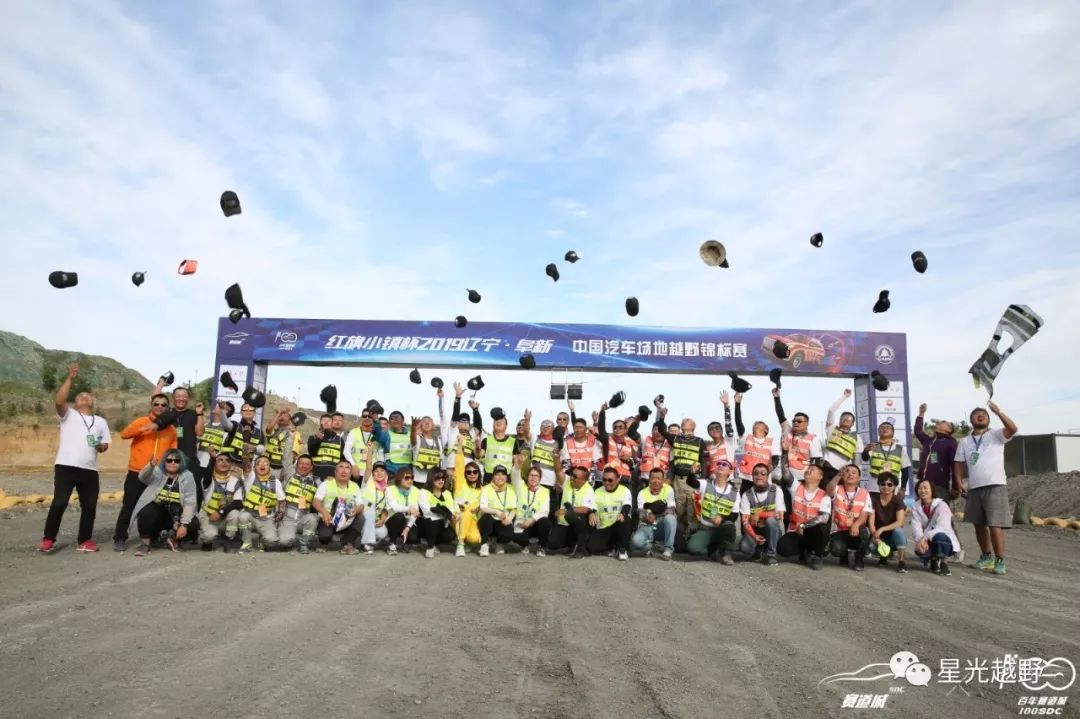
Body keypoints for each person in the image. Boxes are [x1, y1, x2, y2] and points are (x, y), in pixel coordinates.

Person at [40, 363, 111, 553]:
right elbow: (59, 401)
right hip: (66, 466)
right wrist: (70, 379)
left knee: (89, 506)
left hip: (89, 469)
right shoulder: (68, 415)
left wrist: (101, 446)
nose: (84, 397)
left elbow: (105, 446)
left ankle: (84, 540)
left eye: (87, 396)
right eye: (80, 396)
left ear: (92, 402)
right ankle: (48, 539)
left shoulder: (101, 422)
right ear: (75, 402)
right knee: (60, 502)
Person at [955, 402, 1017, 576]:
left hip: (995, 484)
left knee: (994, 524)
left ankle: (999, 560)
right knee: (979, 524)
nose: (980, 415)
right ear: (971, 420)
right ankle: (986, 557)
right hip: (974, 487)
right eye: (976, 414)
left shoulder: (996, 435)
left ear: (988, 419)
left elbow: (1012, 429)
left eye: (984, 414)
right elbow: (958, 463)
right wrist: (959, 481)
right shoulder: (965, 441)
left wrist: (998, 411)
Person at [113, 394, 178, 552]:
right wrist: (144, 429)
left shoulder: (171, 429)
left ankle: (152, 538)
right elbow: (123, 434)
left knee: (154, 507)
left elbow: (174, 452)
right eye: (157, 404)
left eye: (163, 405)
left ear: (167, 408)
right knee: (129, 506)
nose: (160, 407)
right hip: (137, 472)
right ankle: (120, 538)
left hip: (158, 475)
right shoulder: (141, 421)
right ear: (151, 405)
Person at [654, 401, 707, 544]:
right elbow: (661, 429)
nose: (683, 421)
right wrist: (662, 417)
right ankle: (675, 540)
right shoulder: (675, 438)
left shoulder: (700, 441)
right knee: (678, 511)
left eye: (686, 421)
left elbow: (703, 460)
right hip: (678, 480)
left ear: (693, 427)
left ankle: (692, 540)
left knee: (692, 512)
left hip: (692, 481)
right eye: (683, 421)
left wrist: (703, 481)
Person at [129, 451, 197, 557]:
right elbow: (142, 477)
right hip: (159, 512)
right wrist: (150, 466)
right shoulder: (157, 471)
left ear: (181, 463)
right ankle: (145, 544)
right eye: (169, 460)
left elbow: (190, 501)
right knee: (146, 512)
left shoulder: (187, 476)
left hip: (176, 514)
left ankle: (172, 538)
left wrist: (184, 524)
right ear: (164, 462)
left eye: (176, 461)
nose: (172, 463)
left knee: (193, 523)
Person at [685, 461, 740, 564]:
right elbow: (691, 482)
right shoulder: (706, 483)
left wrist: (721, 519)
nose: (720, 466)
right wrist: (692, 473)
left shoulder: (735, 492)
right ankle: (714, 550)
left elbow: (734, 515)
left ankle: (727, 554)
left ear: (730, 471)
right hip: (705, 528)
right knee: (692, 548)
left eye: (725, 465)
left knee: (731, 528)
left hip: (721, 529)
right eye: (719, 464)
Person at [779, 464, 831, 570]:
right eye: (808, 469)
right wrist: (784, 452)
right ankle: (804, 552)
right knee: (782, 548)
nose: (808, 471)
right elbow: (785, 473)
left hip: (811, 533)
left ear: (820, 476)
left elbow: (824, 518)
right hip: (795, 531)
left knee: (823, 527)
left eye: (812, 469)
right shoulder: (796, 486)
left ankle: (817, 555)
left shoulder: (824, 495)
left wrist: (804, 525)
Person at [911, 477, 962, 575]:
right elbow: (916, 527)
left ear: (932, 490)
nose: (922, 491)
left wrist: (925, 537)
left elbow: (942, 527)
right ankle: (933, 561)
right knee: (921, 550)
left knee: (940, 536)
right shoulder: (915, 507)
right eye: (920, 488)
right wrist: (920, 540)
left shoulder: (942, 505)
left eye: (926, 488)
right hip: (926, 539)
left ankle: (944, 563)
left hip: (944, 539)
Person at [312, 460, 365, 555]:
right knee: (325, 536)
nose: (344, 470)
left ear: (351, 472)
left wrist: (355, 510)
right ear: (335, 471)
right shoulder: (326, 484)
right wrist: (324, 512)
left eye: (347, 468)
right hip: (329, 519)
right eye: (341, 467)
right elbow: (316, 501)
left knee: (360, 517)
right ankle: (323, 542)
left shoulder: (355, 486)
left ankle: (347, 544)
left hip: (347, 519)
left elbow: (361, 505)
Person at [237, 456, 286, 552]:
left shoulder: (275, 482)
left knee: (271, 540)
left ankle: (262, 540)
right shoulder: (250, 478)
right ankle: (247, 542)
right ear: (254, 467)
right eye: (259, 463)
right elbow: (246, 467)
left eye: (266, 463)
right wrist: (246, 456)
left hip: (266, 518)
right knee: (242, 517)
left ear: (269, 467)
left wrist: (279, 515)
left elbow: (282, 501)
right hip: (250, 515)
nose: (262, 465)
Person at [739, 463, 784, 565]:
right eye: (756, 474)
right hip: (755, 530)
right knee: (744, 547)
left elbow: (780, 516)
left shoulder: (777, 490)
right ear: (752, 477)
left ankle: (771, 555)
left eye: (763, 474)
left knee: (771, 521)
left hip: (772, 531)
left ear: (768, 476)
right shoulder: (747, 494)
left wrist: (760, 514)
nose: (759, 476)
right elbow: (745, 521)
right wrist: (754, 536)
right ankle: (757, 550)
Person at [829, 464, 872, 571]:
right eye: (847, 471)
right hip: (839, 530)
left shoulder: (864, 493)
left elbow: (864, 514)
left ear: (859, 478)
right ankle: (843, 555)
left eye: (854, 472)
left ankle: (859, 558)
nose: (850, 474)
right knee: (836, 549)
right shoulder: (837, 488)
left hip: (856, 529)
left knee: (864, 534)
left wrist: (856, 525)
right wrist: (838, 475)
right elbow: (829, 490)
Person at [197, 453, 244, 551]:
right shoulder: (208, 479)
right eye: (220, 460)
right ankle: (207, 540)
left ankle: (228, 539)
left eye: (227, 460)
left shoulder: (235, 481)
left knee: (235, 513)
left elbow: (238, 502)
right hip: (208, 516)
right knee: (209, 537)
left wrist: (220, 512)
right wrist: (212, 459)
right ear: (214, 465)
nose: (224, 462)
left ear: (231, 465)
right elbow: (207, 475)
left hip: (223, 516)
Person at [632, 467, 680, 561]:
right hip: (647, 525)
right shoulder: (642, 493)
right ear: (649, 479)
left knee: (671, 518)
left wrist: (655, 512)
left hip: (661, 525)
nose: (656, 481)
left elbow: (672, 510)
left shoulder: (668, 489)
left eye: (659, 478)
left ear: (663, 480)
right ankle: (649, 546)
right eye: (653, 478)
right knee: (635, 542)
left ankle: (668, 550)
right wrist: (647, 516)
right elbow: (641, 513)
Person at [587, 467, 634, 560]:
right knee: (591, 547)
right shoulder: (597, 491)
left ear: (617, 480)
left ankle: (622, 549)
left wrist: (623, 513)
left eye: (610, 480)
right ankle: (612, 547)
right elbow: (593, 507)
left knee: (625, 519)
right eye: (604, 480)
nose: (607, 482)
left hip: (618, 526)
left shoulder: (625, 490)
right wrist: (591, 513)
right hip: (604, 528)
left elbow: (627, 506)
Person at [913, 403, 958, 499]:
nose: (940, 422)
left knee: (939, 513)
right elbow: (918, 431)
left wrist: (955, 487)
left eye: (944, 422)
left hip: (939, 487)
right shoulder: (929, 441)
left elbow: (955, 466)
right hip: (923, 485)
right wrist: (921, 414)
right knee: (921, 513)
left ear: (949, 429)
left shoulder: (951, 443)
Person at [733, 393, 776, 494]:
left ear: (766, 430)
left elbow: (776, 459)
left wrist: (767, 472)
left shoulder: (771, 441)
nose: (755, 425)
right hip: (747, 479)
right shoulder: (747, 437)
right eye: (754, 425)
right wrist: (737, 404)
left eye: (759, 424)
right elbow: (738, 422)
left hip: (763, 480)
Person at [278, 454, 321, 554]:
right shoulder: (289, 475)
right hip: (287, 518)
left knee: (313, 518)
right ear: (296, 465)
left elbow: (325, 493)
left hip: (304, 516)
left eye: (307, 464)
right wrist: (291, 438)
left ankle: (304, 543)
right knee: (285, 542)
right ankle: (294, 536)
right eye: (301, 463)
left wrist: (330, 480)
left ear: (311, 467)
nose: (303, 466)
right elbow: (286, 459)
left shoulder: (317, 481)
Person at [549, 466, 595, 558]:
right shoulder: (567, 482)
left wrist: (566, 511)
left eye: (575, 476)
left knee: (573, 516)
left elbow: (585, 509)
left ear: (584, 480)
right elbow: (558, 470)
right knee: (552, 544)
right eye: (571, 475)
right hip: (565, 523)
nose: (571, 478)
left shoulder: (588, 489)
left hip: (579, 522)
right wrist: (556, 455)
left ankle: (581, 549)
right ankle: (572, 544)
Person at [822, 389, 863, 489]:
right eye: (843, 418)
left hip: (843, 473)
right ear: (839, 420)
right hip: (827, 469)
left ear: (852, 423)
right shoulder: (831, 429)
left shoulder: (857, 437)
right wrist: (844, 397)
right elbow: (831, 410)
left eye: (848, 419)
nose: (845, 420)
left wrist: (857, 476)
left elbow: (857, 459)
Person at [868, 471, 908, 572]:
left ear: (894, 487)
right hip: (878, 536)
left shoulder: (898, 500)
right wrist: (875, 535)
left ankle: (901, 562)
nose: (886, 486)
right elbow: (871, 522)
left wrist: (882, 529)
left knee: (899, 531)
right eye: (883, 484)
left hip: (892, 537)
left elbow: (900, 522)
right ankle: (883, 556)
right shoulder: (873, 499)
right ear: (879, 486)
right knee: (871, 546)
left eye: (890, 484)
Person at [477, 465, 517, 556]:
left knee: (508, 533)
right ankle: (484, 544)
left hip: (504, 519)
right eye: (497, 474)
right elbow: (483, 508)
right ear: (493, 477)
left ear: (507, 477)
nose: (500, 477)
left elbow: (514, 509)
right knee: (485, 520)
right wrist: (496, 512)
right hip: (490, 517)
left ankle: (500, 544)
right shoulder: (486, 488)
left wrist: (509, 519)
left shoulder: (511, 489)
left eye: (503, 475)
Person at [862, 421, 911, 495]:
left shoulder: (900, 449)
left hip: (892, 488)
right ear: (879, 432)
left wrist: (903, 488)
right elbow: (865, 458)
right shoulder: (873, 446)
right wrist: (865, 451)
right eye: (882, 428)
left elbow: (905, 471)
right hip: (874, 488)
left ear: (893, 433)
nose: (885, 429)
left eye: (888, 428)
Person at [418, 468, 457, 558]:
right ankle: (430, 547)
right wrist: (444, 513)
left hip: (442, 523)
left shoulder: (447, 493)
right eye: (437, 478)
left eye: (443, 478)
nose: (441, 480)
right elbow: (427, 512)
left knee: (450, 535)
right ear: (431, 479)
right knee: (433, 521)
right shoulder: (423, 492)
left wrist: (452, 515)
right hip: (426, 523)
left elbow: (451, 508)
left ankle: (432, 542)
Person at [513, 467, 551, 556]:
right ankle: (526, 545)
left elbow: (544, 511)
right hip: (522, 522)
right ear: (527, 476)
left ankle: (541, 547)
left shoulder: (545, 491)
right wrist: (516, 466)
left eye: (536, 476)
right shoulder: (521, 486)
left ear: (540, 478)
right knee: (516, 537)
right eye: (531, 475)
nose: (533, 478)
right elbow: (515, 476)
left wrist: (532, 519)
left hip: (536, 523)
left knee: (545, 522)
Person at [597, 403, 638, 484]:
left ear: (625, 430)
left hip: (625, 479)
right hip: (609, 479)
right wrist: (602, 412)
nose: (617, 429)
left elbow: (634, 465)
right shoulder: (607, 440)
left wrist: (628, 460)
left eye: (620, 427)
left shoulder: (632, 444)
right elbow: (601, 429)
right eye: (615, 427)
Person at [196, 400, 233, 489]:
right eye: (218, 405)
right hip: (198, 463)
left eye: (221, 406)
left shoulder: (227, 427)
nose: (217, 406)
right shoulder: (205, 425)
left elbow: (228, 450)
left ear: (225, 411)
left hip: (212, 465)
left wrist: (215, 456)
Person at [477, 407, 521, 483]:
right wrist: (477, 448)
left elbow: (517, 464)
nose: (498, 421)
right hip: (489, 478)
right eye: (496, 420)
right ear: (493, 424)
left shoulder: (513, 442)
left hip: (505, 479)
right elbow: (478, 455)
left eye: (501, 420)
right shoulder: (486, 440)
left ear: (506, 426)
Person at [384, 468, 421, 554]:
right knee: (399, 516)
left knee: (414, 538)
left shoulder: (415, 490)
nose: (410, 480)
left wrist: (407, 528)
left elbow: (415, 512)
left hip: (407, 521)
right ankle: (392, 543)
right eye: (407, 478)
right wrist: (409, 508)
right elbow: (395, 507)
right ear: (399, 478)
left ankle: (402, 540)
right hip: (392, 520)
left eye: (412, 477)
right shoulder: (390, 489)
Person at [560, 417, 602, 488]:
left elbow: (595, 464)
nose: (578, 430)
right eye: (576, 427)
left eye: (581, 427)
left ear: (585, 429)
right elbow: (566, 465)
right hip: (572, 480)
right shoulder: (566, 443)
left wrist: (587, 480)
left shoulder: (593, 442)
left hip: (588, 481)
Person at [454, 458, 484, 557]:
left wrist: (479, 508)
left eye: (475, 472)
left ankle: (464, 541)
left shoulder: (483, 490)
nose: (472, 474)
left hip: (473, 520)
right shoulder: (461, 484)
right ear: (465, 474)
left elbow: (485, 505)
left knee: (475, 539)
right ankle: (460, 544)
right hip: (458, 518)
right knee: (466, 513)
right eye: (469, 472)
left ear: (479, 473)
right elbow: (459, 466)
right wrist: (459, 448)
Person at [372, 410, 415, 477]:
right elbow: (378, 434)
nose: (394, 420)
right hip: (391, 470)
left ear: (403, 421)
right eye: (392, 418)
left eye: (397, 418)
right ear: (389, 422)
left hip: (407, 471)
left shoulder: (411, 435)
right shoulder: (386, 434)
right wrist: (376, 420)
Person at [221, 402, 264, 468]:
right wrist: (223, 411)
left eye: (251, 409)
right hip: (229, 464)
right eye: (245, 409)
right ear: (241, 412)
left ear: (254, 413)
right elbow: (226, 425)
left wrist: (255, 449)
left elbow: (261, 449)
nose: (248, 411)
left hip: (246, 466)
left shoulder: (259, 432)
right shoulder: (235, 425)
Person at [264, 408, 301, 481]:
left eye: (285, 415)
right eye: (280, 415)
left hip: (282, 470)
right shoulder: (273, 431)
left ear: (290, 420)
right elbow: (268, 429)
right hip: (268, 466)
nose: (282, 417)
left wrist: (285, 472)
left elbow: (293, 456)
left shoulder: (294, 434)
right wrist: (279, 412)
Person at [705, 392, 736, 477]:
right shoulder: (708, 448)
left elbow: (728, 424)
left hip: (727, 480)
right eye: (711, 429)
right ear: (709, 433)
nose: (714, 430)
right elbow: (707, 465)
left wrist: (726, 406)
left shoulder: (728, 441)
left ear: (723, 430)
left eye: (717, 427)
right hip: (712, 482)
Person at [309, 413, 345, 480]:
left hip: (332, 477)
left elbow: (342, 460)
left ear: (332, 423)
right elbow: (312, 453)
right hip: (315, 475)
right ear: (320, 423)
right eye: (323, 420)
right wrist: (318, 440)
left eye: (328, 420)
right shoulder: (312, 437)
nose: (326, 422)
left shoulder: (340, 440)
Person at [412, 415, 443, 487]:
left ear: (433, 426)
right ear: (420, 425)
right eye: (424, 422)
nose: (426, 423)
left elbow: (440, 460)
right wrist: (413, 429)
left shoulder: (438, 441)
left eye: (429, 421)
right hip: (418, 480)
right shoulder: (417, 437)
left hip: (434, 480)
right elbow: (413, 440)